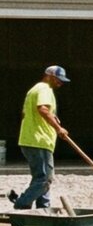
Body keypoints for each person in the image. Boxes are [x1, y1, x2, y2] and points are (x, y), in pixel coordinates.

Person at [13, 66, 69, 211]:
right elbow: (42, 109)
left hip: (32, 140)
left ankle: (43, 209)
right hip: (39, 141)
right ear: (48, 76)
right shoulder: (44, 89)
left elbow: (29, 113)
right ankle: (21, 204)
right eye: (58, 79)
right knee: (45, 179)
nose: (60, 83)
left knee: (40, 178)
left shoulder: (34, 90)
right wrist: (58, 129)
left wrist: (53, 118)